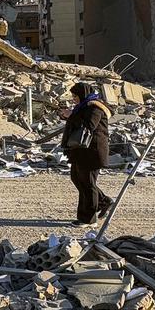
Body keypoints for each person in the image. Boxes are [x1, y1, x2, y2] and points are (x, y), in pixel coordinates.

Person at [58, 81, 114, 225]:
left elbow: (89, 125)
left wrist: (71, 115)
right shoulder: (83, 106)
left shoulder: (95, 107)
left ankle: (88, 219)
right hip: (80, 152)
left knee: (87, 184)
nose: (74, 99)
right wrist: (68, 116)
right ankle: (103, 201)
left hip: (92, 152)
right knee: (77, 179)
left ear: (83, 94)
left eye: (75, 96)